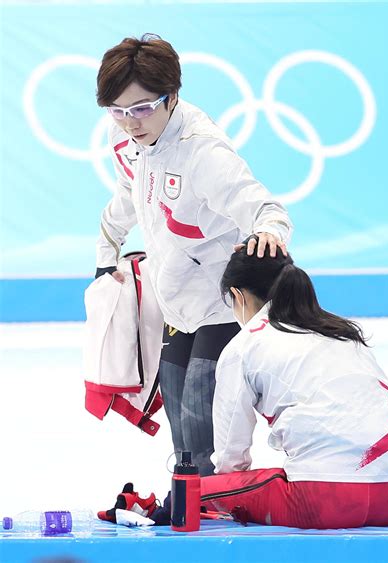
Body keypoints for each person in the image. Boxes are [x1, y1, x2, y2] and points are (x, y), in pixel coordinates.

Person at [94, 34, 292, 476]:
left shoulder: (203, 152)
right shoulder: (125, 133)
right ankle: (191, 504)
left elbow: (266, 208)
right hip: (176, 300)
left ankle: (216, 509)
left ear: (172, 97)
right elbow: (128, 193)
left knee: (204, 415)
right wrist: (106, 248)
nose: (130, 122)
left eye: (142, 108)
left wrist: (268, 231)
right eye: (118, 110)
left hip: (223, 302)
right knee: (182, 426)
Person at [198, 242, 388, 529]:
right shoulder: (343, 332)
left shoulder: (244, 346)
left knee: (191, 494)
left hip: (325, 500)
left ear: (238, 295)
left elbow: (230, 458)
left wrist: (221, 491)